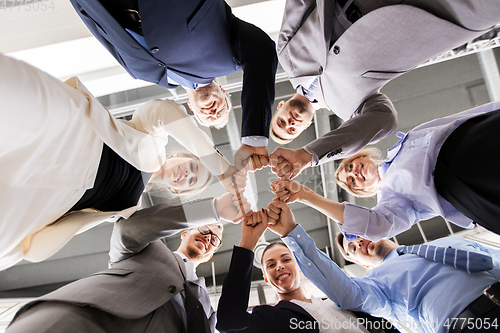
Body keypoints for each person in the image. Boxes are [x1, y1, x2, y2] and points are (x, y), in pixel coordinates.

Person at [0, 53, 247, 271]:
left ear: (177, 191)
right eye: (193, 166)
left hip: (51, 189)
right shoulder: (152, 139)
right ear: (178, 156)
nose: (187, 174)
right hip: (68, 131)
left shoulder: (130, 211)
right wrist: (222, 170)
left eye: (191, 181)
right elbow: (163, 111)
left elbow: (105, 228)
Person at [269, 0, 500, 180]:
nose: (290, 123)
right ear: (307, 127)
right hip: (430, 17)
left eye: (281, 122)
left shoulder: (286, 54)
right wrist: (307, 155)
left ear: (280, 107)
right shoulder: (350, 110)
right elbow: (386, 120)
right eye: (292, 130)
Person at [69, 0, 277, 168]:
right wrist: (254, 137)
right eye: (221, 109)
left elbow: (101, 29)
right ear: (222, 91)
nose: (213, 112)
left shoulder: (140, 73)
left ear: (191, 108)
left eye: (207, 117)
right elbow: (263, 51)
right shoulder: (229, 58)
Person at [271, 100, 500, 240]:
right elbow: (375, 227)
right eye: (351, 181)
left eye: (350, 167)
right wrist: (303, 194)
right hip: (463, 182)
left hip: (472, 136)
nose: (354, 173)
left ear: (361, 156)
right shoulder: (392, 199)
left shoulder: (404, 143)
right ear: (364, 191)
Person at [6, 196, 238, 333]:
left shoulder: (207, 306)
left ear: (211, 255)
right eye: (206, 229)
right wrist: (213, 209)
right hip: (89, 320)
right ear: (184, 232)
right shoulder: (149, 247)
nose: (208, 238)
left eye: (214, 239)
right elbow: (128, 229)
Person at [267, 200, 500, 333]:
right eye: (352, 248)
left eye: (357, 235)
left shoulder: (447, 243)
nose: (357, 241)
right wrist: (292, 232)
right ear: (359, 263)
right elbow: (344, 291)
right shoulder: (377, 287)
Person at [216, 209, 373, 333]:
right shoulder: (271, 319)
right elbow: (229, 323)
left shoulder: (337, 301)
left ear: (299, 267)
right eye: (271, 265)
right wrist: (247, 243)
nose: (279, 266)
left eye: (285, 259)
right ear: (266, 279)